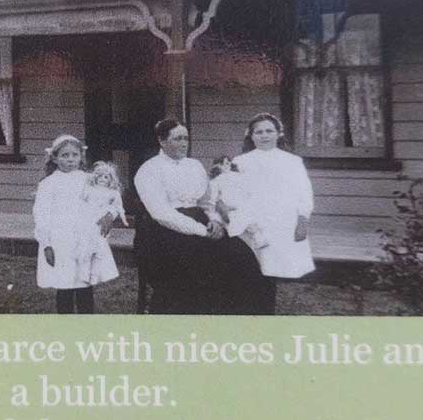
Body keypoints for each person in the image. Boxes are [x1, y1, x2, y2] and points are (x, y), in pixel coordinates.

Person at [133, 118, 264, 314]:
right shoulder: (149, 169)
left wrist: (214, 221)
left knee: (241, 256)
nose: (184, 143)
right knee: (198, 267)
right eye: (178, 138)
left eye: (186, 138)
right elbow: (162, 213)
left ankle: (236, 319)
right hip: (161, 234)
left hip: (200, 222)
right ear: (162, 140)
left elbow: (206, 202)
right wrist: (202, 231)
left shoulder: (194, 166)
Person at [232, 113, 315, 312]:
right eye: (258, 132)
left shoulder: (292, 161)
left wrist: (302, 220)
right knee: (253, 268)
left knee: (272, 268)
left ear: (278, 134)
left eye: (269, 131)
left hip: (281, 222)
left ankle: (267, 309)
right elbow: (233, 193)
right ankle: (251, 310)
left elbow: (304, 192)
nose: (264, 135)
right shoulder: (241, 162)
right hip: (251, 222)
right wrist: (242, 221)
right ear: (251, 136)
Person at [33, 135, 117, 313]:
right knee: (64, 285)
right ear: (54, 158)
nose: (70, 160)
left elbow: (110, 198)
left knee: (84, 283)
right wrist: (46, 244)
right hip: (60, 240)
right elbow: (41, 215)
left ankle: (86, 327)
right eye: (64, 155)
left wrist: (110, 214)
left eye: (74, 155)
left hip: (85, 239)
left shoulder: (90, 180)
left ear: (81, 156)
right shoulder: (48, 184)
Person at [75, 161, 127, 285]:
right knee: (87, 249)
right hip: (87, 222)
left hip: (101, 223)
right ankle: (84, 273)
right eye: (100, 176)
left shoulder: (113, 193)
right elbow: (80, 201)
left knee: (99, 249)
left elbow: (119, 207)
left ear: (111, 180)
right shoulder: (89, 189)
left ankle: (94, 275)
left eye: (106, 177)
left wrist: (123, 219)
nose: (102, 179)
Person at [208, 156, 269, 251]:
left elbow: (248, 192)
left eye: (228, 163)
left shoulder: (237, 177)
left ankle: (257, 236)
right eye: (224, 164)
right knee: (239, 223)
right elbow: (213, 200)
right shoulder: (216, 181)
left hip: (241, 206)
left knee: (250, 218)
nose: (227, 165)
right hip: (228, 210)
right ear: (218, 166)